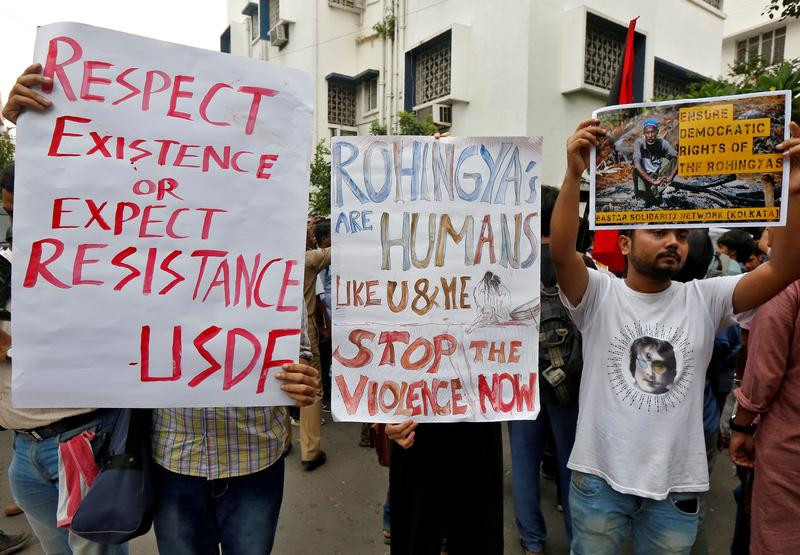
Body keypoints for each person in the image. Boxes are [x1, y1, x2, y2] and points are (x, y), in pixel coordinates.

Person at [5, 62, 324, 554]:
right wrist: (32, 131)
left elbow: (298, 356)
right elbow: (76, 216)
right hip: (175, 458)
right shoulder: (144, 258)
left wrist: (304, 381)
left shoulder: (269, 266)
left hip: (256, 458)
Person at [549, 118, 800, 554]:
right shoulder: (598, 295)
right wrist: (573, 175)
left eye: (682, 235)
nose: (674, 242)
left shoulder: (706, 299)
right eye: (659, 231)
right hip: (598, 480)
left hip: (675, 489)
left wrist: (794, 195)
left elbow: (784, 269)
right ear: (624, 244)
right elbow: (560, 251)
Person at [508, 185, 584, 555]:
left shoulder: (511, 262)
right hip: (570, 379)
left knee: (524, 461)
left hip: (520, 377)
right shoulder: (578, 262)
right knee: (572, 462)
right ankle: (577, 538)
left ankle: (533, 541)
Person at [729, 280, 800, 554]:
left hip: (788, 453)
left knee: (780, 538)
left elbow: (762, 374)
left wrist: (741, 426)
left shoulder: (786, 285)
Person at [632, 118, 678, 206]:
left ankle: (656, 195)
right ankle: (642, 197)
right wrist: (652, 181)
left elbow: (678, 158)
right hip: (644, 179)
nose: (650, 135)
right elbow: (637, 164)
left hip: (658, 178)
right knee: (636, 169)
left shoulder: (662, 143)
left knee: (674, 160)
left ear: (657, 132)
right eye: (647, 133)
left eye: (652, 132)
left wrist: (671, 177)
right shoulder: (639, 143)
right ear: (644, 133)